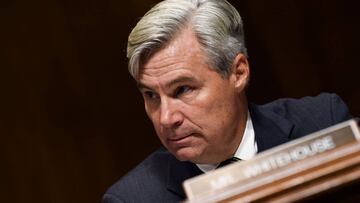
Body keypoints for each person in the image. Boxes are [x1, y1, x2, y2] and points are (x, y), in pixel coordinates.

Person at [102, 0, 351, 202]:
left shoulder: (322, 122)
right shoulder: (133, 198)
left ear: (238, 73)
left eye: (183, 89)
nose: (166, 118)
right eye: (151, 96)